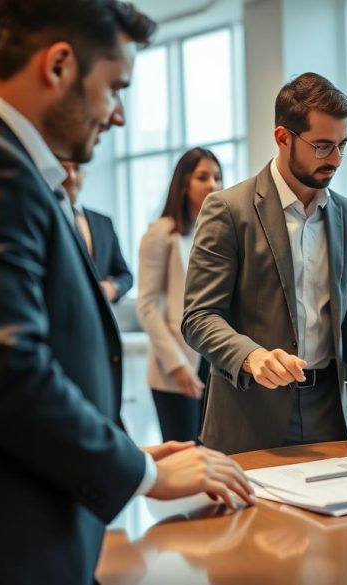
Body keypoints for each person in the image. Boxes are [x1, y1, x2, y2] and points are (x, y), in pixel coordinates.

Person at [0, 3, 253, 583]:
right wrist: (145, 477)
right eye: (115, 87)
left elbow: (54, 348)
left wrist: (126, 451)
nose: (121, 116)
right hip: (7, 549)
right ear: (58, 65)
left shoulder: (10, 165)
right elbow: (1, 372)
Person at [182, 72, 347, 453]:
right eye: (321, 146)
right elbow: (199, 318)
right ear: (283, 138)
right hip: (249, 415)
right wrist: (252, 357)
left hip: (331, 413)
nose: (334, 159)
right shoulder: (228, 210)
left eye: (342, 144)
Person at [137, 148, 222, 443]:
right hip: (175, 366)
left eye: (217, 177)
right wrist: (177, 365)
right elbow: (147, 306)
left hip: (214, 363)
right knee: (185, 458)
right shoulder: (162, 233)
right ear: (183, 182)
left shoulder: (220, 233)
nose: (212, 185)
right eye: (203, 177)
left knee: (216, 454)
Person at [61, 160, 134, 302]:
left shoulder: (103, 222)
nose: (72, 177)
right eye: (63, 170)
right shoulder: (48, 220)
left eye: (76, 169)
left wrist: (112, 288)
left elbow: (126, 276)